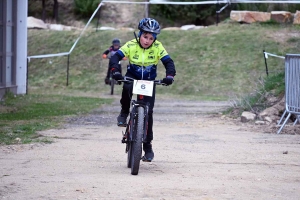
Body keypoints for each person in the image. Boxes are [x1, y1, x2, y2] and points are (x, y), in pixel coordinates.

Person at [109, 18, 176, 162]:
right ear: (140, 34)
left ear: (155, 39)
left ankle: (147, 145)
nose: (147, 41)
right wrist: (115, 71)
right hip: (132, 77)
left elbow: (168, 62)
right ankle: (124, 111)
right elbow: (115, 58)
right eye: (145, 36)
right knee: (126, 86)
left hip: (149, 81)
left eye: (151, 38)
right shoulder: (131, 44)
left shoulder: (158, 47)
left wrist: (169, 76)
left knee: (149, 112)